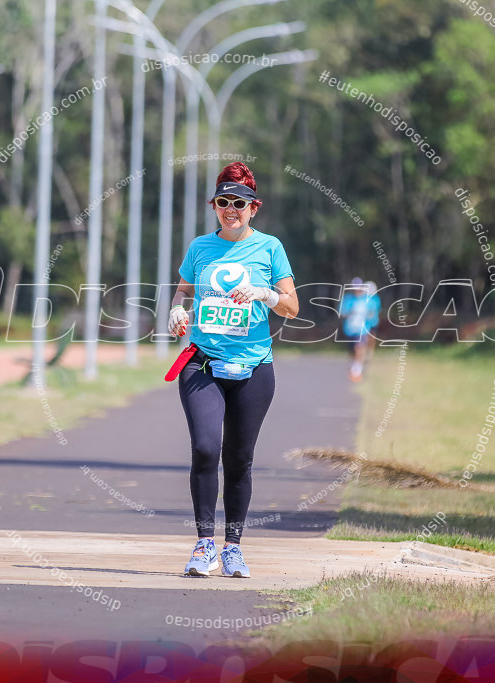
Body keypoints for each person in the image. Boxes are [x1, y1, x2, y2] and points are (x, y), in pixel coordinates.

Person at [167, 161, 299, 577]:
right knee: (206, 449)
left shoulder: (270, 248)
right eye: (223, 202)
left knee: (239, 459)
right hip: (202, 364)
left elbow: (293, 308)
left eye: (239, 203)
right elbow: (182, 292)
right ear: (215, 206)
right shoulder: (200, 247)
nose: (231, 209)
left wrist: (264, 293)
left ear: (253, 207)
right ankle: (204, 545)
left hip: (254, 368)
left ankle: (233, 547)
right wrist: (176, 311)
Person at [339, 279, 381, 381]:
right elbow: (342, 312)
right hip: (349, 329)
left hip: (362, 329)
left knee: (359, 348)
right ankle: (355, 366)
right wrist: (350, 313)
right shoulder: (348, 299)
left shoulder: (368, 299)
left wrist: (370, 318)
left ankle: (357, 371)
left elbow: (373, 312)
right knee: (352, 351)